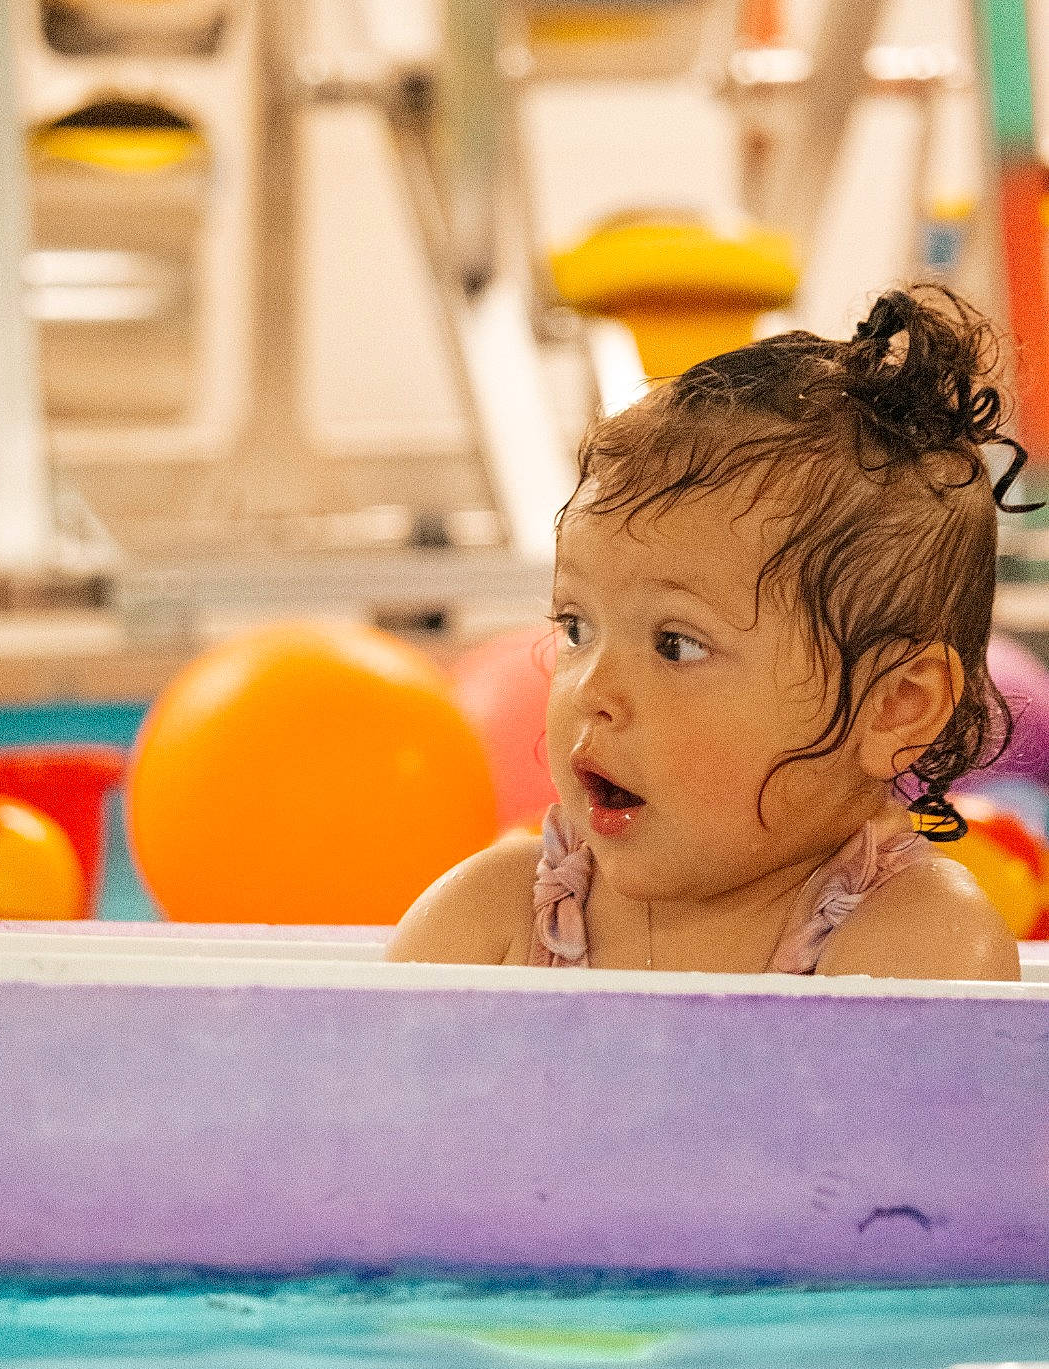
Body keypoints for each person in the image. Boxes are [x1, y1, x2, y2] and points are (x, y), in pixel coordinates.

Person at [390, 287, 1030, 979]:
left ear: (895, 706)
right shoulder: (496, 916)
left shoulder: (912, 940)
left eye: (676, 644)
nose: (594, 689)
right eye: (576, 628)